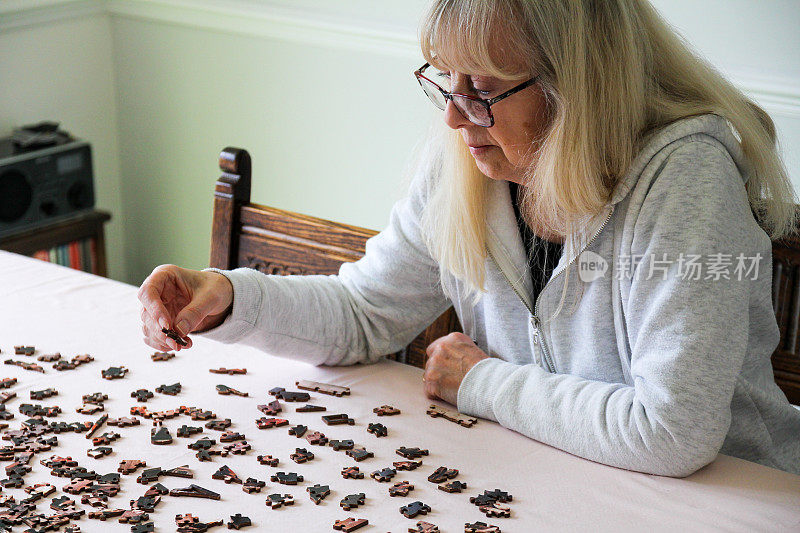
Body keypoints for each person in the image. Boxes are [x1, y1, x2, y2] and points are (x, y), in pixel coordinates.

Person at [139, 0, 800, 477]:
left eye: (482, 87)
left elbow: (672, 432)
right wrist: (226, 297)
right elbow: (363, 312)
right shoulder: (470, 158)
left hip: (729, 500)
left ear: (578, 84)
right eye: (444, 79)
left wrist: (482, 382)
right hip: (555, 479)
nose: (455, 116)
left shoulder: (688, 176)